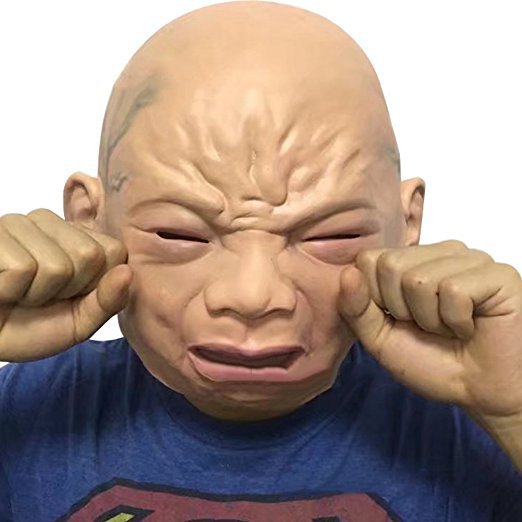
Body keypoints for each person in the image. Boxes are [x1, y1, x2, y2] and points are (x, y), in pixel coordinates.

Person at [0, 1, 521, 520]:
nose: (253, 295)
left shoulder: (479, 428)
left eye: (330, 236)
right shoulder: (26, 415)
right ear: (90, 221)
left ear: (406, 226)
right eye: (180, 234)